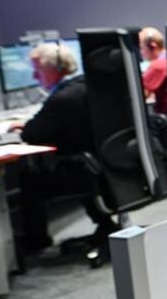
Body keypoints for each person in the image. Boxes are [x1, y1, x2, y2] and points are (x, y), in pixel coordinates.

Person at [8, 43, 115, 252]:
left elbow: (32, 134)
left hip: (87, 172)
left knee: (30, 179)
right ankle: (104, 223)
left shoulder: (62, 98)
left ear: (55, 69)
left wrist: (28, 126)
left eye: (38, 70)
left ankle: (36, 242)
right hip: (110, 166)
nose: (34, 77)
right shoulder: (86, 86)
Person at [139, 26, 167, 115]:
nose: (141, 52)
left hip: (165, 120)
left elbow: (140, 95)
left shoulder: (157, 66)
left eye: (142, 48)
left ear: (153, 46)